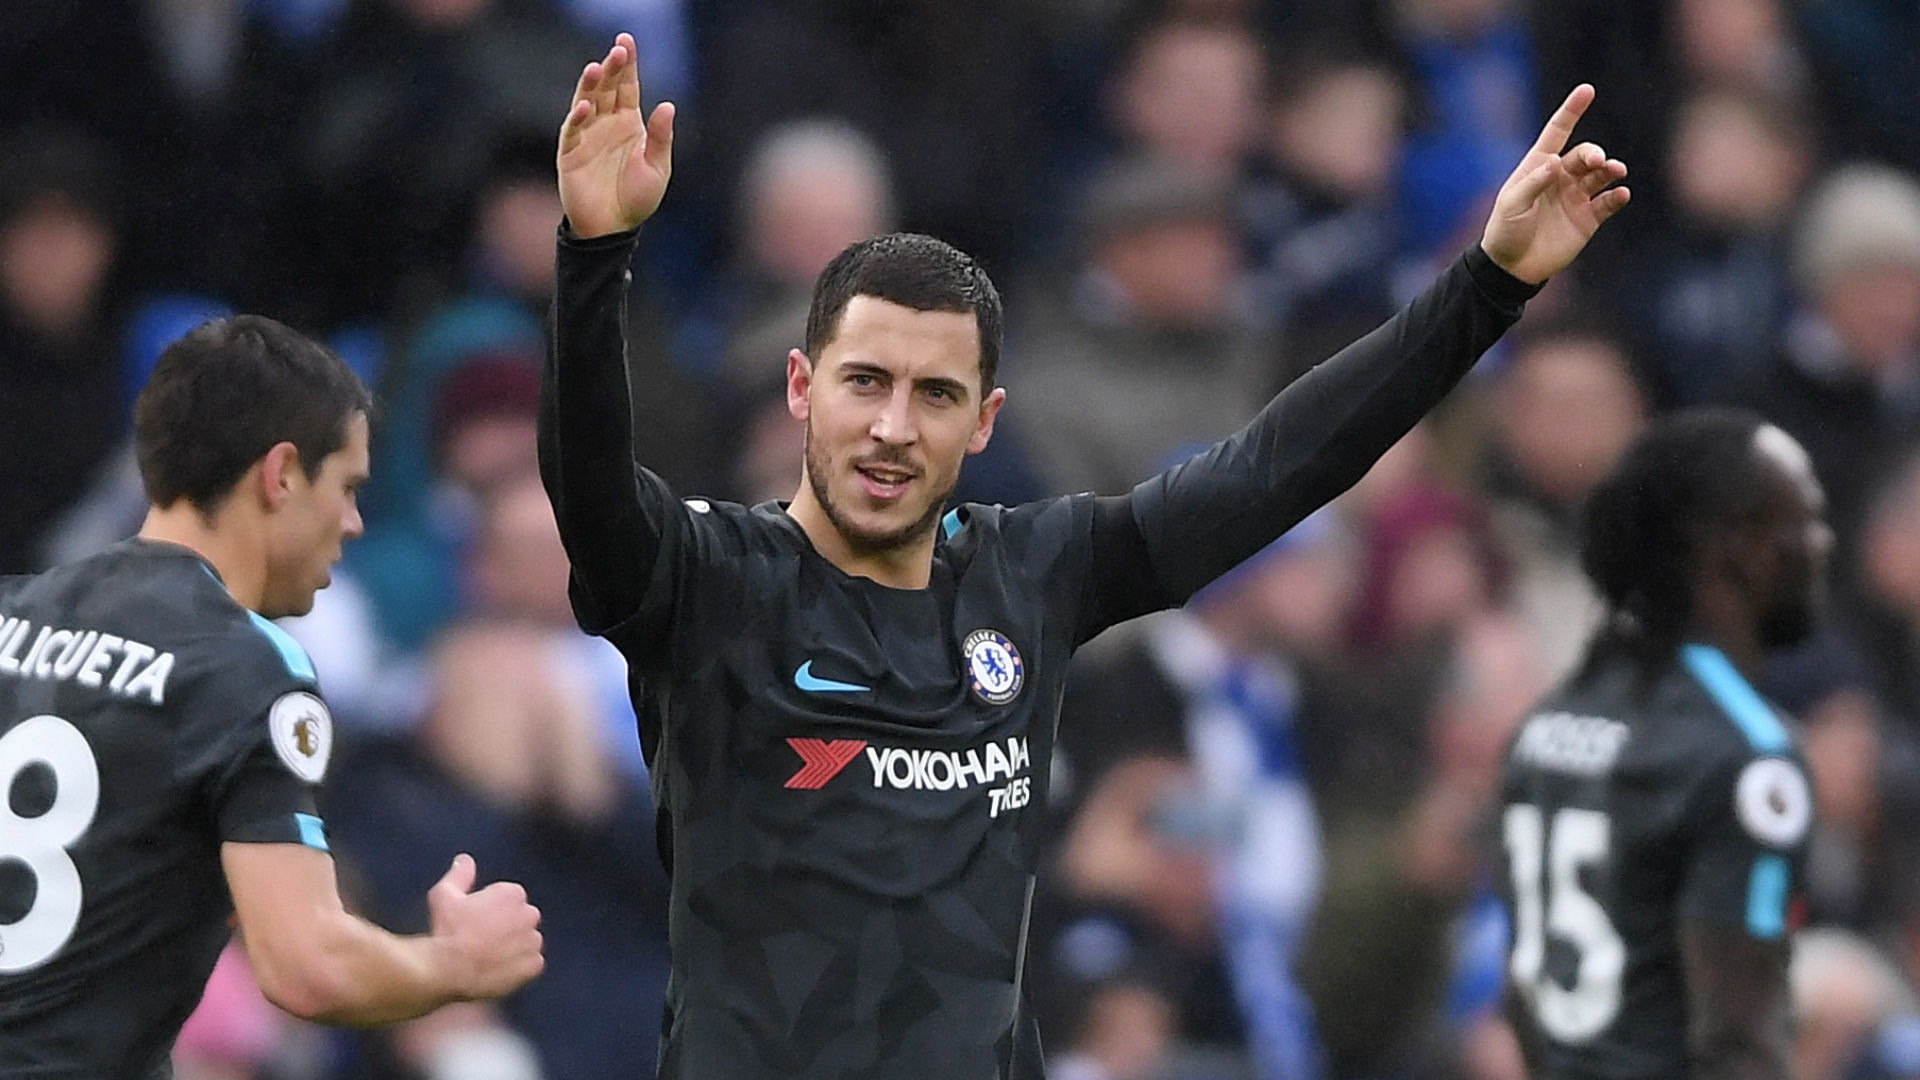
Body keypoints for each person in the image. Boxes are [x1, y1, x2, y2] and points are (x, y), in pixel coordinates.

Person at [542, 32, 1627, 1080]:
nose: (892, 427)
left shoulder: (1032, 573)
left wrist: (1487, 284)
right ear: (800, 388)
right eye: (864, 382)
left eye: (936, 395)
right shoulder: (710, 579)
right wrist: (593, 255)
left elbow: (1279, 467)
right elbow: (588, 483)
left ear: (984, 423)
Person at [0, 315, 546, 1079]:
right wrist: (455, 963)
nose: (353, 524)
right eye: (346, 488)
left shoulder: (13, 613)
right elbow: (306, 966)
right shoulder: (243, 668)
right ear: (281, 475)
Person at [1496, 408, 1831, 1080]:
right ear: (1741, 547)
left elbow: (1525, 996)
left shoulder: (1549, 722)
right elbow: (1736, 1045)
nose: (1823, 543)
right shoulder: (1747, 757)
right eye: (1806, 519)